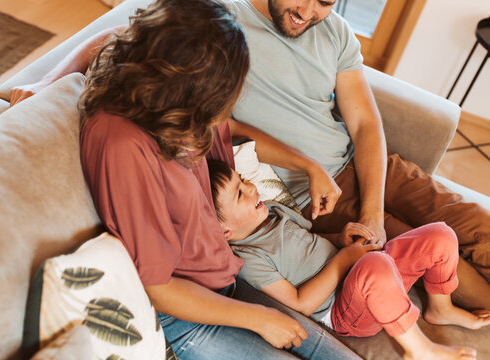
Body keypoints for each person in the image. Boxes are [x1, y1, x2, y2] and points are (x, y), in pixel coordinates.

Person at [48, 0, 360, 358]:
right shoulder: (122, 143)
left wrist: (311, 167)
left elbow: (235, 129)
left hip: (227, 278)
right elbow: (159, 286)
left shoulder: (174, 107)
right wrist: (259, 318)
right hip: (188, 317)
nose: (230, 102)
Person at [226, 0, 490, 286]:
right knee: (442, 260)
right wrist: (312, 168)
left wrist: (373, 213)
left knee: (480, 226)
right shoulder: (221, 22)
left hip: (365, 164)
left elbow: (364, 123)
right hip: (314, 201)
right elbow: (222, 128)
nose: (306, 12)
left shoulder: (335, 30)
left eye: (324, 2)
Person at [207, 158, 490, 360]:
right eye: (240, 194)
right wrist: (344, 259)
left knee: (440, 235)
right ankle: (419, 349)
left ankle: (440, 307)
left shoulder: (275, 211)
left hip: (367, 271)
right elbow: (300, 304)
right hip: (345, 310)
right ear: (224, 231)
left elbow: (312, 241)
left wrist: (339, 238)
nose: (252, 188)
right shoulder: (249, 258)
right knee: (375, 265)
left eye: (243, 180)